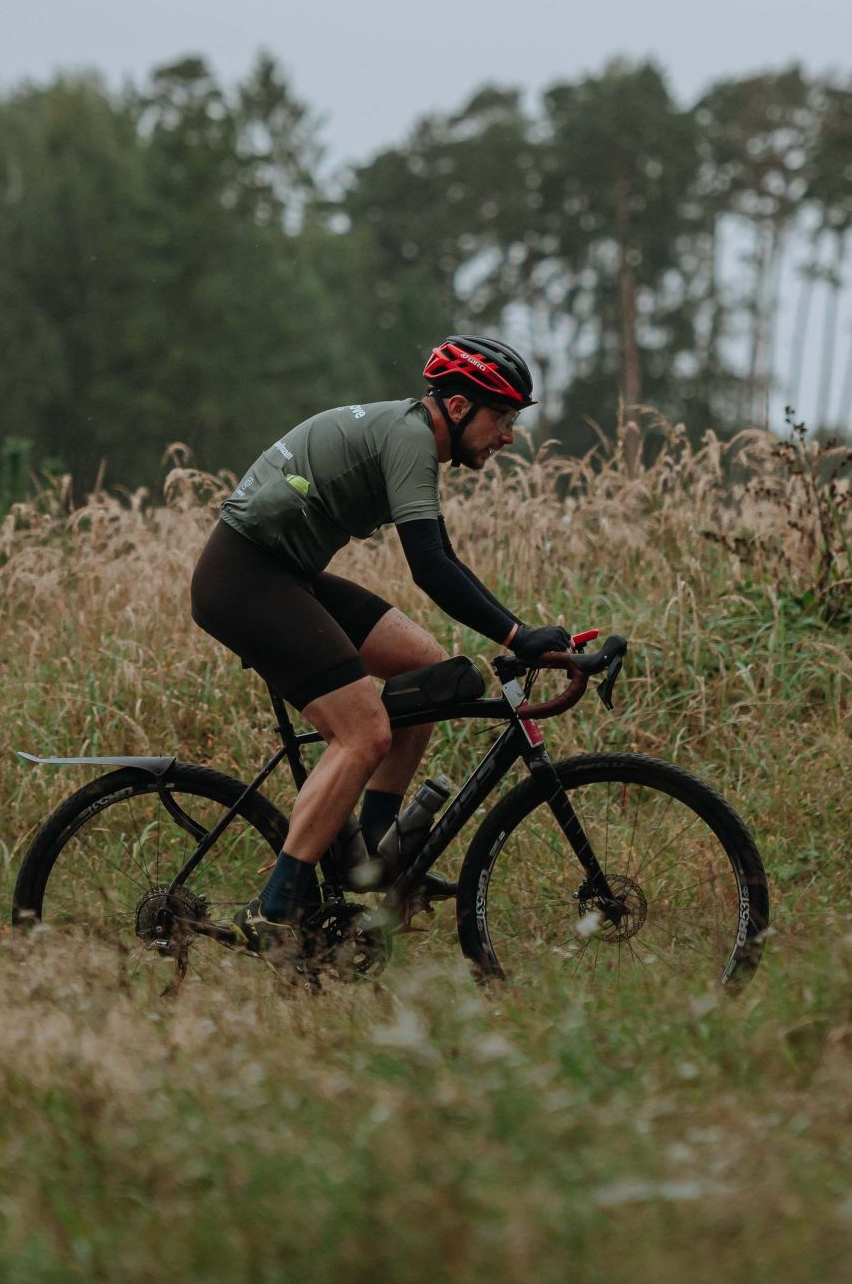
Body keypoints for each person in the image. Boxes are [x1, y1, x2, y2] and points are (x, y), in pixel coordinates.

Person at [188, 335, 573, 942]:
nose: (507, 436)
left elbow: (442, 555)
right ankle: (274, 911)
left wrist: (518, 632)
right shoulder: (410, 437)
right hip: (243, 581)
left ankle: (369, 856)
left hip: (282, 575)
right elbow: (430, 568)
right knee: (364, 733)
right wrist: (517, 635)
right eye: (502, 418)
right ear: (458, 407)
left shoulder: (412, 434)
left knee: (428, 671)